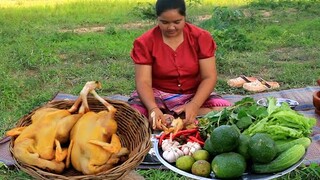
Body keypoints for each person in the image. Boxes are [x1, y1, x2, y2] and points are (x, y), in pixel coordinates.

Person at [128, 0, 231, 130]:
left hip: (193, 93)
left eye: (177, 22)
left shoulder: (200, 37)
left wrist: (194, 104)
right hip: (158, 95)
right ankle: (177, 117)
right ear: (157, 19)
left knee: (226, 112)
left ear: (185, 17)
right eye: (164, 22)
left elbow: (209, 77)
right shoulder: (145, 42)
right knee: (133, 117)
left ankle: (174, 117)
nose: (171, 27)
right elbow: (143, 82)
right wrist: (152, 108)